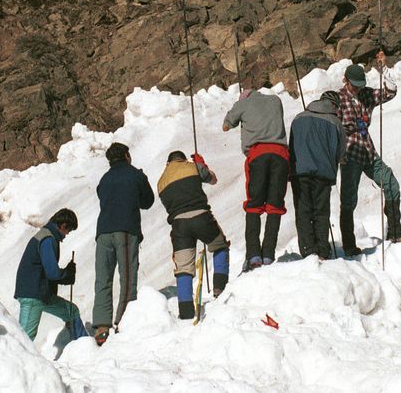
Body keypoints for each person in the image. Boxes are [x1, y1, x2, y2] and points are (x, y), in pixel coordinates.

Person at [337, 51, 401, 256]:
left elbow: (390, 92)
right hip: (350, 154)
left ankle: (395, 232)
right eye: (354, 85)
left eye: (360, 85)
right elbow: (335, 127)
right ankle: (349, 245)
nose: (357, 88)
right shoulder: (338, 99)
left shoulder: (366, 94)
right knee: (348, 200)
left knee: (391, 184)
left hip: (369, 153)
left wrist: (383, 69)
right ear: (345, 80)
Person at [93, 142, 154, 345]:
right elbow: (148, 201)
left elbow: (101, 195)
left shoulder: (104, 179)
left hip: (103, 232)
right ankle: (123, 320)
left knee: (103, 278)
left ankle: (101, 327)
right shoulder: (135, 175)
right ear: (127, 155)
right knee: (127, 277)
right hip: (126, 229)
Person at [157, 151, 230, 320]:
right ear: (183, 159)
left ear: (168, 164)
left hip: (179, 225)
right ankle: (220, 288)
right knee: (220, 246)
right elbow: (213, 179)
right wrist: (201, 164)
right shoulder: (193, 167)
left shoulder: (161, 182)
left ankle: (186, 311)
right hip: (201, 217)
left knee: (183, 268)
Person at [223, 85, 288, 271]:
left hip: (258, 155)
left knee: (254, 205)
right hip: (281, 156)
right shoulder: (276, 101)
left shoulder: (243, 104)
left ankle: (253, 256)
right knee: (275, 206)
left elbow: (226, 126)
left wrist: (239, 111)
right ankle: (268, 255)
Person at [14, 208, 87, 341]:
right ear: (63, 226)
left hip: (41, 294)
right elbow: (52, 273)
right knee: (25, 339)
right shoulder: (48, 239)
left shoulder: (46, 236)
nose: (67, 234)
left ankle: (83, 345)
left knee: (71, 312)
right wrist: (67, 274)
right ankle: (12, 356)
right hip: (33, 294)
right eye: (69, 230)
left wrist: (66, 275)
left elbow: (48, 272)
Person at [289, 91, 347, 260]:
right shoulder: (336, 122)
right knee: (321, 212)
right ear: (334, 105)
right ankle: (322, 251)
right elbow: (341, 153)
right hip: (323, 174)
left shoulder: (298, 118)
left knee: (303, 212)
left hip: (300, 172)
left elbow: (291, 145)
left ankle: (308, 250)